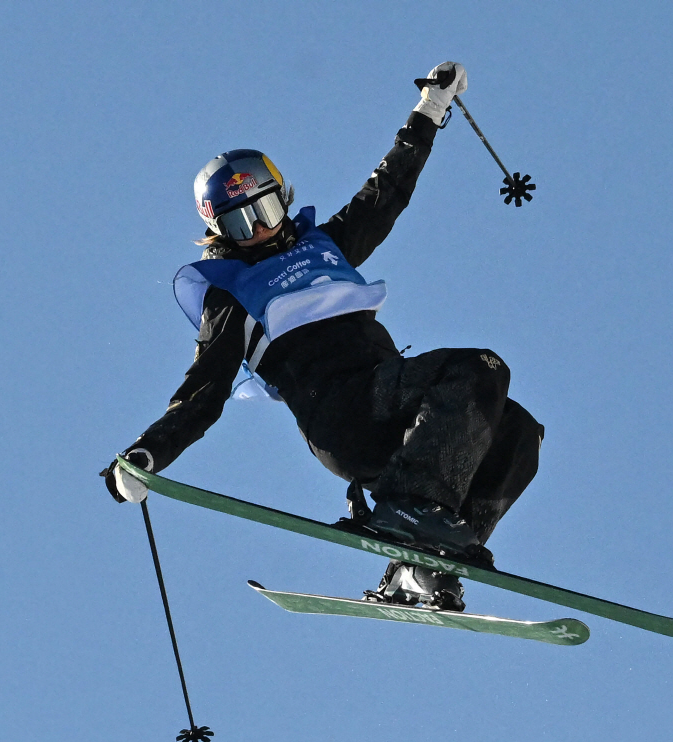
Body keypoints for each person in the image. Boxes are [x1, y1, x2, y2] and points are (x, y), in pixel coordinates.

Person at [104, 62, 544, 612]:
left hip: (396, 410)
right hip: (345, 415)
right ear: (219, 231)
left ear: (282, 198)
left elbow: (386, 193)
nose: (261, 229)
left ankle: (426, 564)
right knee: (479, 368)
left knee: (518, 431)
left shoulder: (324, 247)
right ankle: (411, 512)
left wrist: (430, 109)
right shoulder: (232, 290)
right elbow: (203, 393)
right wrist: (146, 455)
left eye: (265, 209)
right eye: (242, 224)